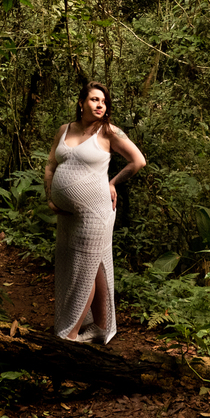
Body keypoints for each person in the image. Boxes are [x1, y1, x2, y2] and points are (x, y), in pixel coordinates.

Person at [44, 81, 146, 344]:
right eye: (94, 99)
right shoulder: (64, 130)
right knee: (93, 266)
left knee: (84, 269)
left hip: (96, 212)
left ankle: (70, 333)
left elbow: (138, 161)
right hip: (68, 215)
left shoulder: (109, 132)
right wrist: (50, 197)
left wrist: (112, 182)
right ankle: (100, 327)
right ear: (81, 103)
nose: (100, 105)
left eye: (103, 101)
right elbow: (50, 165)